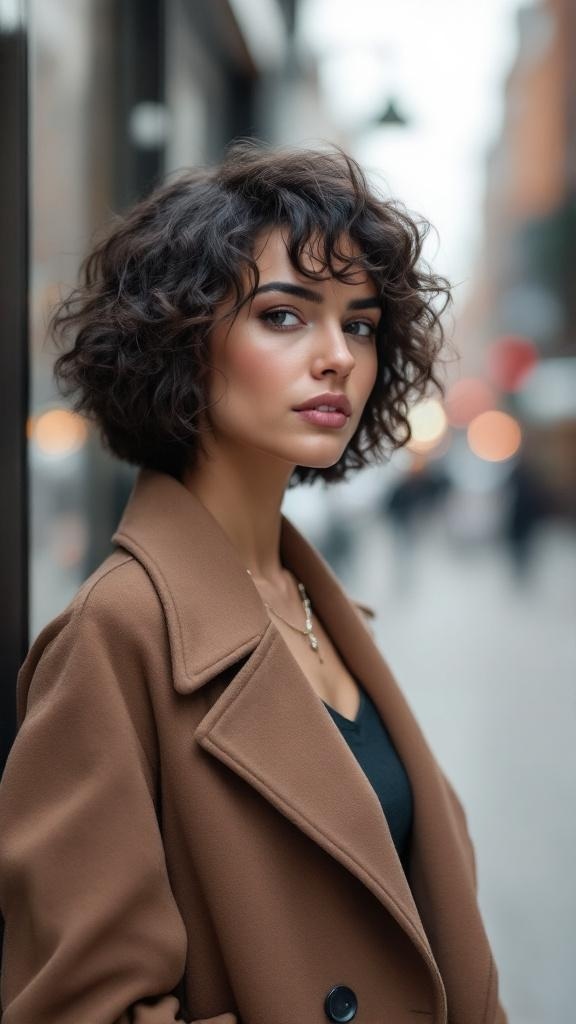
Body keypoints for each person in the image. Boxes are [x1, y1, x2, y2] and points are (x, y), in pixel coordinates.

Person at [0, 142, 507, 1024]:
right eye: (284, 316)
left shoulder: (325, 607)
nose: (338, 357)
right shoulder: (116, 636)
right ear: (183, 340)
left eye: (358, 323)